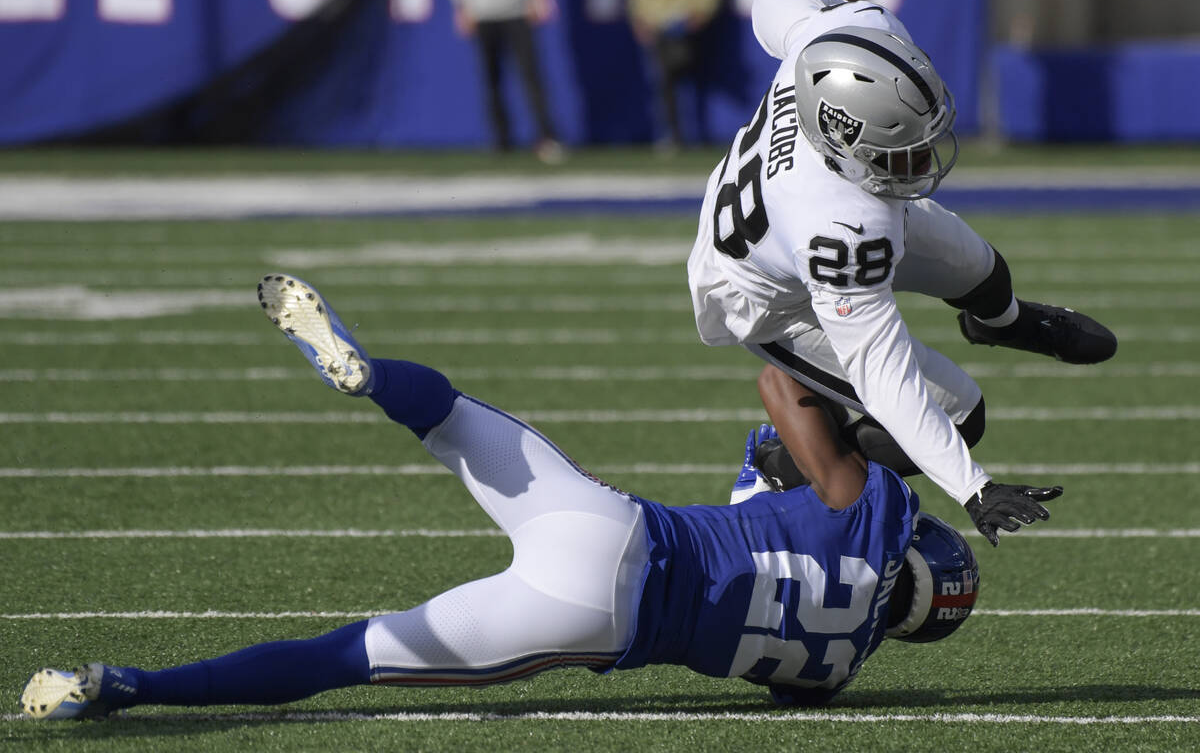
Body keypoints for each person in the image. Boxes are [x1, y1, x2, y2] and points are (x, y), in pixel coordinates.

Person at [20, 273, 1031, 720]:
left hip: (611, 523)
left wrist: (856, 414)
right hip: (593, 616)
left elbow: (778, 395)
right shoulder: (835, 670)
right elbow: (772, 516)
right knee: (344, 657)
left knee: (446, 409)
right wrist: (798, 461)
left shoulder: (872, 510)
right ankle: (123, 686)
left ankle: (370, 376)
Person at [686, 0, 1112, 546]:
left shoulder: (849, 36)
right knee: (960, 414)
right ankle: (778, 463)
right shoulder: (836, 227)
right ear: (843, 142)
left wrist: (831, 7)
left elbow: (773, 2)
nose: (925, 158)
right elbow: (885, 377)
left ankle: (1000, 322)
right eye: (904, 149)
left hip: (838, 199)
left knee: (981, 271)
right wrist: (972, 486)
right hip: (767, 297)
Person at [447, 0, 565, 164]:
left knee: (531, 74)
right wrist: (462, 4)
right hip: (482, 7)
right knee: (491, 78)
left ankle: (546, 136)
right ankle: (501, 140)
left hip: (518, 5)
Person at [625, 0, 726, 152]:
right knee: (663, 79)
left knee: (685, 75)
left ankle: (695, 134)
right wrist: (640, 15)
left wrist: (701, 10)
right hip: (658, 20)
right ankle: (671, 134)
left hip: (686, 20)